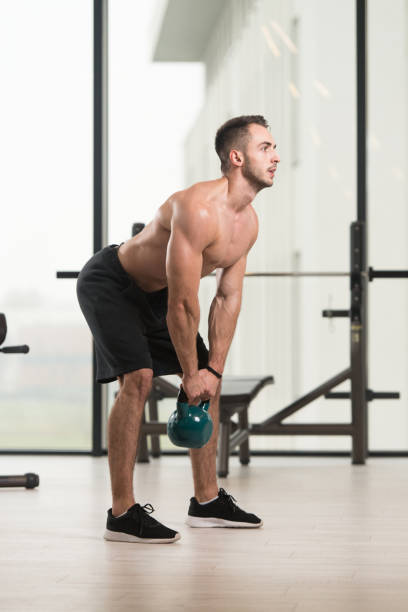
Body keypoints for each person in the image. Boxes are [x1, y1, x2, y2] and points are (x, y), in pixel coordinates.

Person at [76, 114, 280, 544]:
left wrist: (212, 371)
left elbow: (227, 298)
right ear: (236, 156)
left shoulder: (248, 224)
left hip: (156, 294)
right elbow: (183, 303)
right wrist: (189, 374)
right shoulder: (196, 208)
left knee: (209, 380)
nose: (276, 156)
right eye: (266, 148)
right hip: (112, 283)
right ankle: (122, 513)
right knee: (138, 378)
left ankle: (206, 502)